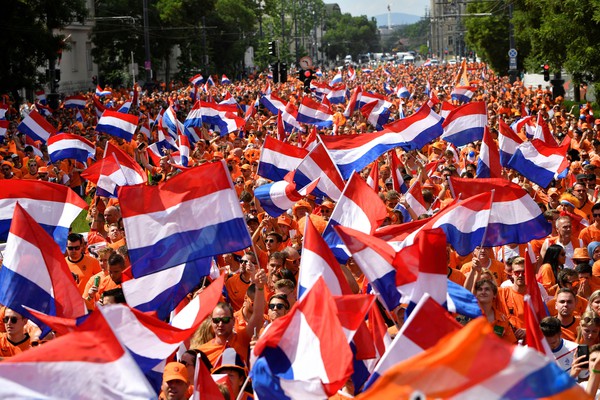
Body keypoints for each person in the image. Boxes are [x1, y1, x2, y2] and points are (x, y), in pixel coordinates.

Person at [198, 267, 266, 366]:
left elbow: (258, 316)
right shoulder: (202, 352)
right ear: (211, 322)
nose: (220, 324)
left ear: (233, 321)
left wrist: (259, 287)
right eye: (216, 320)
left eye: (225, 320)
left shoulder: (242, 338)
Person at [474, 279, 517, 343]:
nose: (483, 292)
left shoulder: (502, 319)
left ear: (494, 295)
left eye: (487, 289)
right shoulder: (468, 315)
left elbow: (510, 344)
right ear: (476, 294)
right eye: (480, 289)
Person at [497, 257, 527, 340]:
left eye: (524, 272)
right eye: (517, 272)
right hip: (504, 345)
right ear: (512, 274)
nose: (520, 275)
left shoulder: (534, 296)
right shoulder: (501, 293)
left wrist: (527, 331)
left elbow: (543, 323)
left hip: (526, 345)